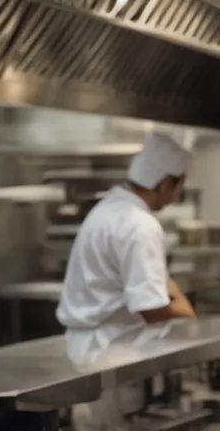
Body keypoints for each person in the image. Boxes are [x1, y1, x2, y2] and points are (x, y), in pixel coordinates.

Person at [55, 132, 196, 353]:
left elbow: (160, 285)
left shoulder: (109, 208)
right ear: (164, 183)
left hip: (86, 346)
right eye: (178, 188)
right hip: (111, 351)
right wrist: (190, 323)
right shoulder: (141, 225)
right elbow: (152, 309)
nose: (176, 197)